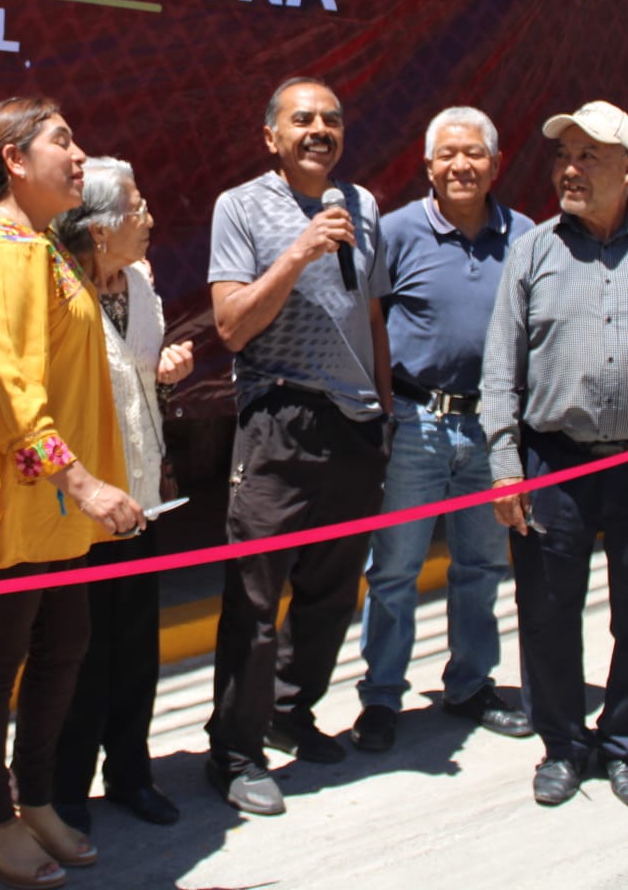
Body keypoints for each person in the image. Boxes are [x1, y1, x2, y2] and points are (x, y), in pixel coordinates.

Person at [481, 101, 628, 810]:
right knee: (548, 608)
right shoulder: (533, 250)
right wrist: (505, 467)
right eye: (565, 156)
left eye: (589, 156)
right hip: (554, 461)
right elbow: (501, 370)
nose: (570, 169)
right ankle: (561, 745)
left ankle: (625, 745)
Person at [0, 98, 142, 890]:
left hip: (47, 509)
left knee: (62, 649)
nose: (79, 154)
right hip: (15, 502)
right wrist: (80, 481)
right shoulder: (1, 252)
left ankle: (37, 799)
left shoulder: (36, 245)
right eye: (63, 141)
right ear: (14, 159)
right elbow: (6, 385)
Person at [206, 77, 392, 816]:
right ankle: (236, 752)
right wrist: (297, 253)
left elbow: (370, 314)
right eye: (303, 119)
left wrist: (383, 409)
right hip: (278, 418)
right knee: (254, 596)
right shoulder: (240, 207)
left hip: (354, 424)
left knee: (331, 592)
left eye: (332, 120)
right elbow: (230, 326)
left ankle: (291, 710)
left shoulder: (364, 204)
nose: (320, 129)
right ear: (271, 136)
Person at [353, 107, 534, 754]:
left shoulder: (527, 236)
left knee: (481, 564)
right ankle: (380, 696)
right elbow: (369, 325)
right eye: (448, 155)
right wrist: (381, 411)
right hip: (414, 423)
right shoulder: (396, 232)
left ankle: (470, 684)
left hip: (491, 426)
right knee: (395, 568)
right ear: (427, 165)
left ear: (496, 163)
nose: (462, 166)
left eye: (475, 153)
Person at [48, 158, 194, 833]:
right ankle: (66, 790)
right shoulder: (55, 291)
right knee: (80, 652)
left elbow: (141, 383)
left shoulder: (140, 284)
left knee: (136, 646)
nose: (150, 219)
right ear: (101, 230)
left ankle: (131, 772)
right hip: (81, 506)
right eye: (137, 208)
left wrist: (167, 371)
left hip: (141, 496)